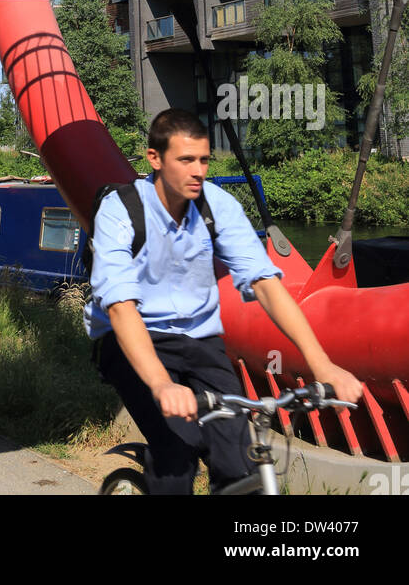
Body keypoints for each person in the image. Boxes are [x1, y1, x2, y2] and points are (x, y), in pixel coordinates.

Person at [85, 108, 364, 495]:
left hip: (198, 340)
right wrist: (163, 385)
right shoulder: (122, 210)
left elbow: (266, 285)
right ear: (155, 159)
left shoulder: (216, 205)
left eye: (203, 160)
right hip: (130, 338)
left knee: (240, 461)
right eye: (185, 160)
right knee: (177, 453)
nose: (198, 171)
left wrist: (323, 366)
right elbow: (119, 306)